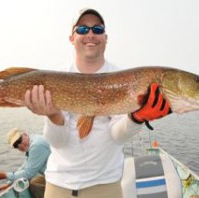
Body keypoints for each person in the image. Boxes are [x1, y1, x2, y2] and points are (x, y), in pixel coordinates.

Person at [24, 8, 171, 198]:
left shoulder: (125, 79)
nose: (91, 34)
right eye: (83, 29)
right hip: (58, 185)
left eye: (98, 29)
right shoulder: (56, 77)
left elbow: (117, 136)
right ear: (72, 38)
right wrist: (53, 115)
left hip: (105, 187)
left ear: (106, 37)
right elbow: (57, 142)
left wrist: (137, 118)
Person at [0, 128, 51, 198]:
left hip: (61, 177)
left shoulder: (36, 145)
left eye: (19, 141)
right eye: (16, 145)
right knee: (33, 181)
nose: (19, 146)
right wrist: (9, 183)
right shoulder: (32, 143)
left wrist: (6, 176)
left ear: (25, 134)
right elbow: (24, 166)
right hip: (54, 174)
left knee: (33, 181)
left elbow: (28, 173)